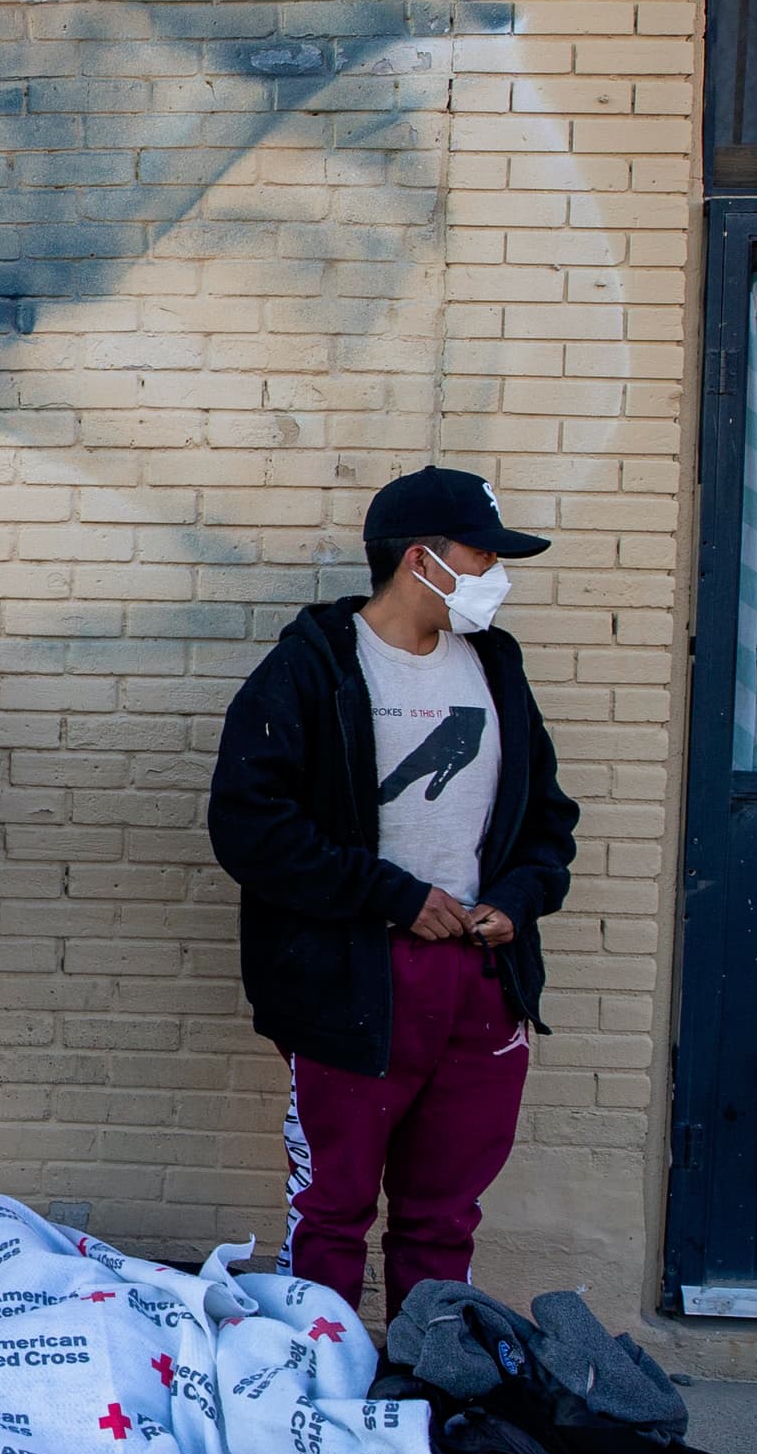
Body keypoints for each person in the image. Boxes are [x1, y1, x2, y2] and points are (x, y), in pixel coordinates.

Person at [207, 467, 578, 1314]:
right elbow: (249, 827)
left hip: (482, 983)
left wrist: (518, 899)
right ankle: (323, 1393)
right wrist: (392, 895)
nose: (496, 576)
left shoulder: (494, 664)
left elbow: (548, 818)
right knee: (332, 1214)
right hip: (353, 982)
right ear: (423, 560)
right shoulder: (309, 671)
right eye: (482, 556)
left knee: (444, 1218)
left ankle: (436, 1395)